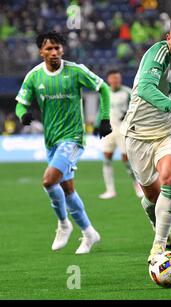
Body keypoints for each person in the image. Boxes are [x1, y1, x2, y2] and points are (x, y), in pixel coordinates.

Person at [15, 31, 112, 254]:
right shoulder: (34, 76)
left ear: (63, 50)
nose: (54, 52)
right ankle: (89, 233)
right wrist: (23, 115)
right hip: (51, 141)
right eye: (49, 48)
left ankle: (63, 224)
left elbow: (103, 88)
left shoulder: (75, 71)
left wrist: (104, 117)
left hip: (73, 138)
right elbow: (21, 104)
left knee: (49, 181)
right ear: (41, 51)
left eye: (57, 48)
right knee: (68, 190)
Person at [120, 13, 171, 263]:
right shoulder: (157, 53)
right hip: (138, 134)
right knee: (151, 197)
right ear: (169, 38)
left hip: (169, 131)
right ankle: (156, 220)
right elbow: (145, 88)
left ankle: (159, 246)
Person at [96, 69, 144, 199]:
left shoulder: (127, 92)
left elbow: (137, 108)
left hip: (124, 130)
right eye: (113, 78)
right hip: (109, 130)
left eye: (117, 78)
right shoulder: (104, 92)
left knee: (126, 159)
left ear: (120, 79)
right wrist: (97, 125)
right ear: (108, 80)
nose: (115, 81)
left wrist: (129, 115)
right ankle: (110, 190)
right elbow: (101, 110)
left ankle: (138, 186)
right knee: (106, 158)